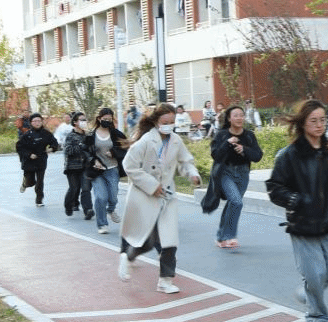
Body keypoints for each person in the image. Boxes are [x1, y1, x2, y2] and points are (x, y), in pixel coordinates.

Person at [266, 99, 328, 322]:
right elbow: (274, 187)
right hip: (303, 222)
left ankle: (308, 294)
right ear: (303, 124)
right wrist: (295, 200)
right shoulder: (290, 155)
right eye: (313, 121)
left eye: (323, 120)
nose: (319, 125)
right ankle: (315, 316)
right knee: (315, 274)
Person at [117, 103, 202, 293]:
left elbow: (185, 161)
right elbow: (129, 166)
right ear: (156, 122)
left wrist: (192, 174)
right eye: (165, 122)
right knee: (148, 240)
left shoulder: (176, 140)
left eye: (172, 122)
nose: (169, 126)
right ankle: (128, 256)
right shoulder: (146, 141)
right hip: (145, 195)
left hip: (167, 196)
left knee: (169, 241)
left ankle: (165, 281)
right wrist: (152, 185)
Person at [205, 104, 263, 248]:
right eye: (235, 115)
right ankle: (229, 236)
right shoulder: (222, 135)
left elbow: (257, 156)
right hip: (226, 172)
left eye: (241, 115)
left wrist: (244, 150)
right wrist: (227, 143)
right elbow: (215, 155)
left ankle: (221, 237)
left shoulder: (249, 135)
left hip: (243, 173)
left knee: (233, 203)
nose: (239, 118)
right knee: (236, 202)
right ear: (229, 119)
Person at [85, 107, 127, 234]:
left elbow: (126, 147)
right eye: (105, 119)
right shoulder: (91, 135)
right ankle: (102, 224)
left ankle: (111, 209)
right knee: (101, 197)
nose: (107, 121)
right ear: (99, 119)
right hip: (97, 171)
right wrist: (94, 161)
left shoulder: (115, 133)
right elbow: (85, 151)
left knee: (113, 197)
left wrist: (114, 152)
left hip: (112, 169)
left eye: (109, 119)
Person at [16, 113, 59, 206]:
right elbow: (20, 147)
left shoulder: (46, 133)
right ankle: (25, 183)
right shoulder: (26, 135)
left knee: (40, 181)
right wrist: (29, 154)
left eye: (39, 121)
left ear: (42, 122)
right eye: (34, 121)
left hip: (41, 159)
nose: (37, 123)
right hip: (29, 161)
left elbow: (54, 143)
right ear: (31, 123)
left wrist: (51, 148)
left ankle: (39, 200)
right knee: (30, 182)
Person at [62, 112, 94, 218]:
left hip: (86, 166)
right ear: (75, 122)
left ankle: (88, 209)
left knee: (86, 188)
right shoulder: (70, 136)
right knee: (74, 188)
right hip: (73, 167)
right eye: (81, 120)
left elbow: (92, 150)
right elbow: (68, 150)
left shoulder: (88, 135)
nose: (84, 122)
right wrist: (81, 146)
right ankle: (68, 206)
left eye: (85, 120)